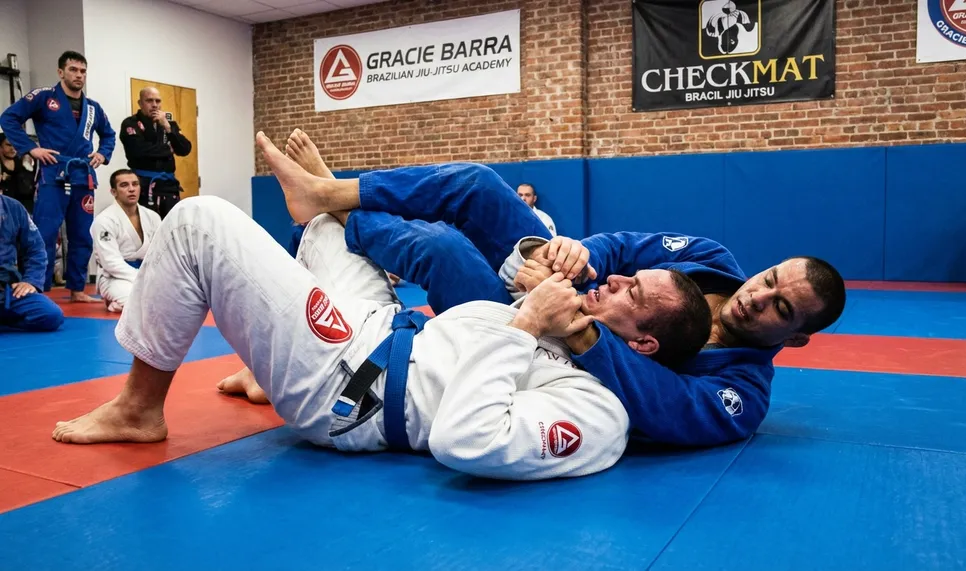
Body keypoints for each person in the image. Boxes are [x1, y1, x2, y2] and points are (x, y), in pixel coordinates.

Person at [50, 132, 713, 483]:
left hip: (352, 388)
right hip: (378, 328)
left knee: (198, 221)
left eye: (632, 293)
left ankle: (139, 409)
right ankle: (272, 345)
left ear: (645, 344)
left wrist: (525, 324)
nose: (614, 279)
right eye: (627, 277)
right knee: (327, 228)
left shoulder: (600, 414)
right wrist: (533, 273)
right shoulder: (572, 314)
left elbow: (466, 440)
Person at [267, 129, 846, 448]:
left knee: (441, 250)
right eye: (769, 278)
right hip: (561, 289)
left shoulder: (742, 392)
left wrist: (579, 329)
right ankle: (330, 193)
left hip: (541, 346)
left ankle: (329, 213)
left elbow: (665, 406)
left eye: (780, 307)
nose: (756, 295)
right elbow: (620, 249)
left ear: (797, 337)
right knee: (477, 184)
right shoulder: (710, 260)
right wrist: (573, 258)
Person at [0, 50, 115, 302]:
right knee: (45, 233)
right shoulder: (44, 97)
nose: (79, 75)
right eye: (73, 70)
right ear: (61, 72)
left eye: (83, 71)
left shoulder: (93, 108)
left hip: (83, 176)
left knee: (82, 234)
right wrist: (30, 148)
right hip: (53, 173)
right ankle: (39, 288)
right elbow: (8, 118)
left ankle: (77, 289)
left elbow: (108, 134)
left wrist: (103, 154)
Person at [90, 169, 162, 313]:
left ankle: (117, 304)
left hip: (147, 273)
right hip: (114, 277)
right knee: (138, 306)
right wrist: (141, 278)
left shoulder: (152, 216)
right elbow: (110, 262)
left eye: (135, 184)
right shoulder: (104, 221)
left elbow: (160, 252)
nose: (131, 189)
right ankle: (116, 299)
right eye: (124, 185)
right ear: (114, 192)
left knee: (176, 301)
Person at [119, 87, 193, 219]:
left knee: (171, 225)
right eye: (149, 101)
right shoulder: (130, 123)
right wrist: (168, 149)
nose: (154, 105)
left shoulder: (169, 125)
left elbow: (184, 149)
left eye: (157, 101)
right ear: (140, 103)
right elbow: (138, 151)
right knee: (147, 226)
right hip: (143, 186)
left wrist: (167, 127)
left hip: (168, 187)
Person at [0, 194, 64, 332]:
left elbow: (35, 249)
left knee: (51, 315)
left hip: (6, 289)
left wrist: (31, 281)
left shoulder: (14, 207)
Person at [0, 133, 37, 214]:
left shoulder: (26, 161)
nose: (13, 148)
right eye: (8, 145)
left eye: (15, 144)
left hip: (25, 208)